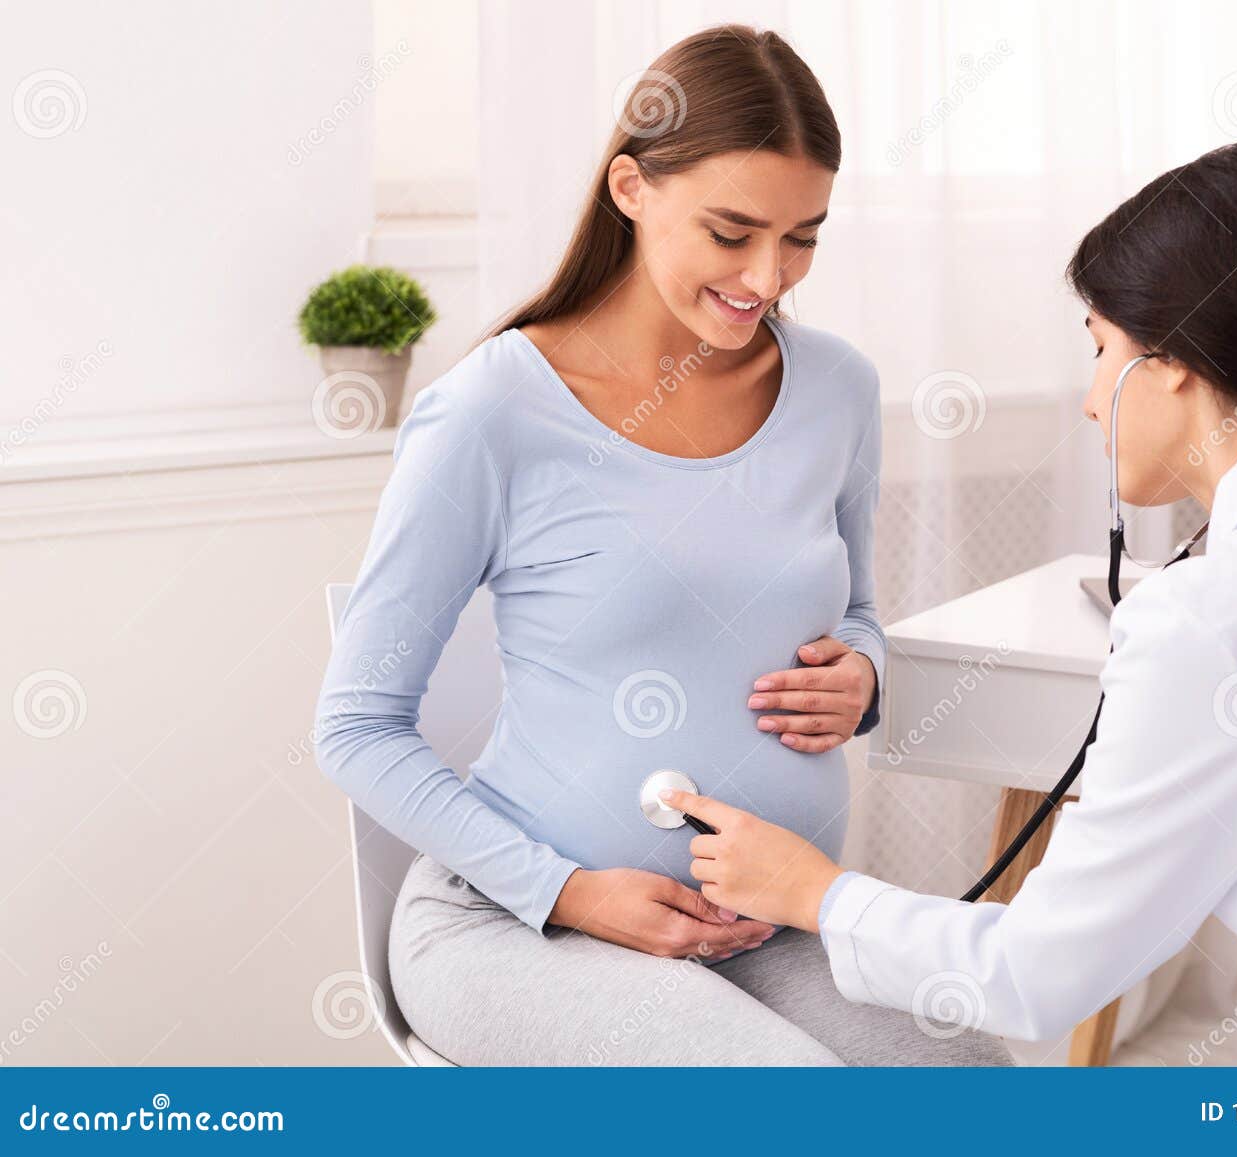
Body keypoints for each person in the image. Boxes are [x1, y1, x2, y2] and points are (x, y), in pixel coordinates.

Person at [661, 139, 1237, 1067]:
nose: (1090, 400)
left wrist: (815, 892)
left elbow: (1037, 971)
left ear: (1175, 361)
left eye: (1101, 348)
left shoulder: (1223, 611)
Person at [313, 23, 1013, 1067]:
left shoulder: (837, 391)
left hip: (762, 925)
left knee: (972, 1077)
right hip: (518, 923)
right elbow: (355, 726)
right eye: (731, 232)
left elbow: (855, 611)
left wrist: (864, 674)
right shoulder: (492, 410)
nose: (769, 276)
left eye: (803, 235)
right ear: (631, 188)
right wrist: (570, 891)